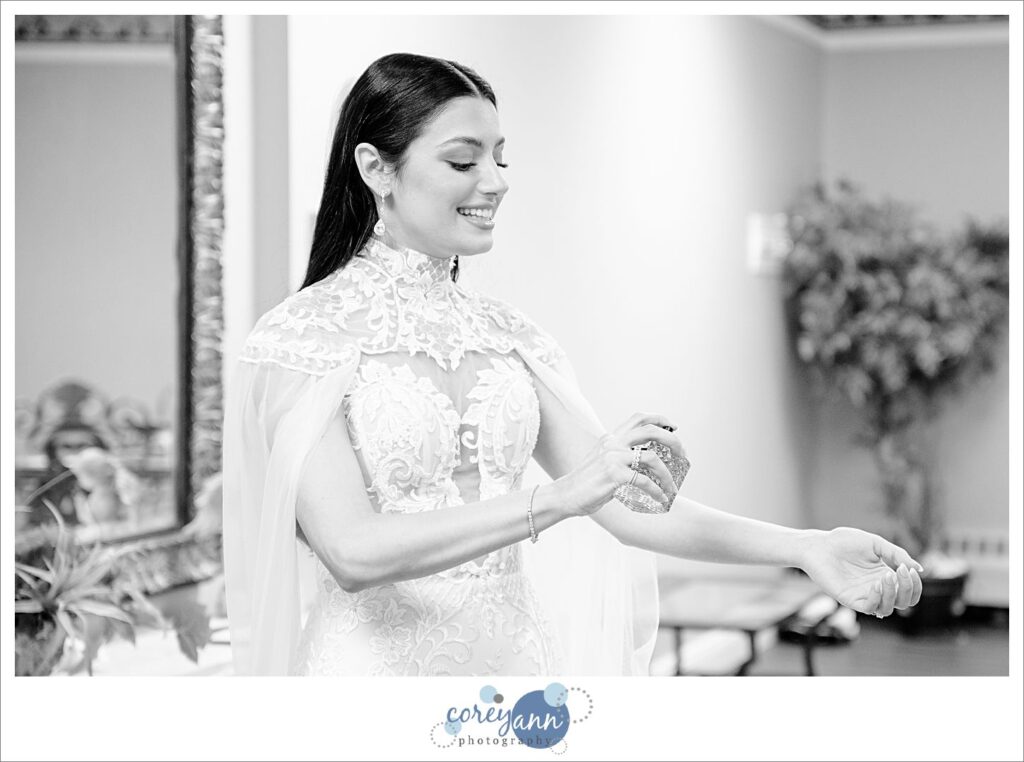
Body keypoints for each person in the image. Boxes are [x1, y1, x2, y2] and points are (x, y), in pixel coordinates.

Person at [222, 52, 924, 677]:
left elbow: (629, 509)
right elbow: (353, 551)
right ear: (376, 168)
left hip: (517, 677)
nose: (495, 182)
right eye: (464, 161)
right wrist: (556, 499)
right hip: (370, 689)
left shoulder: (508, 338)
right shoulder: (303, 339)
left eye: (501, 157)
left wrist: (806, 547)